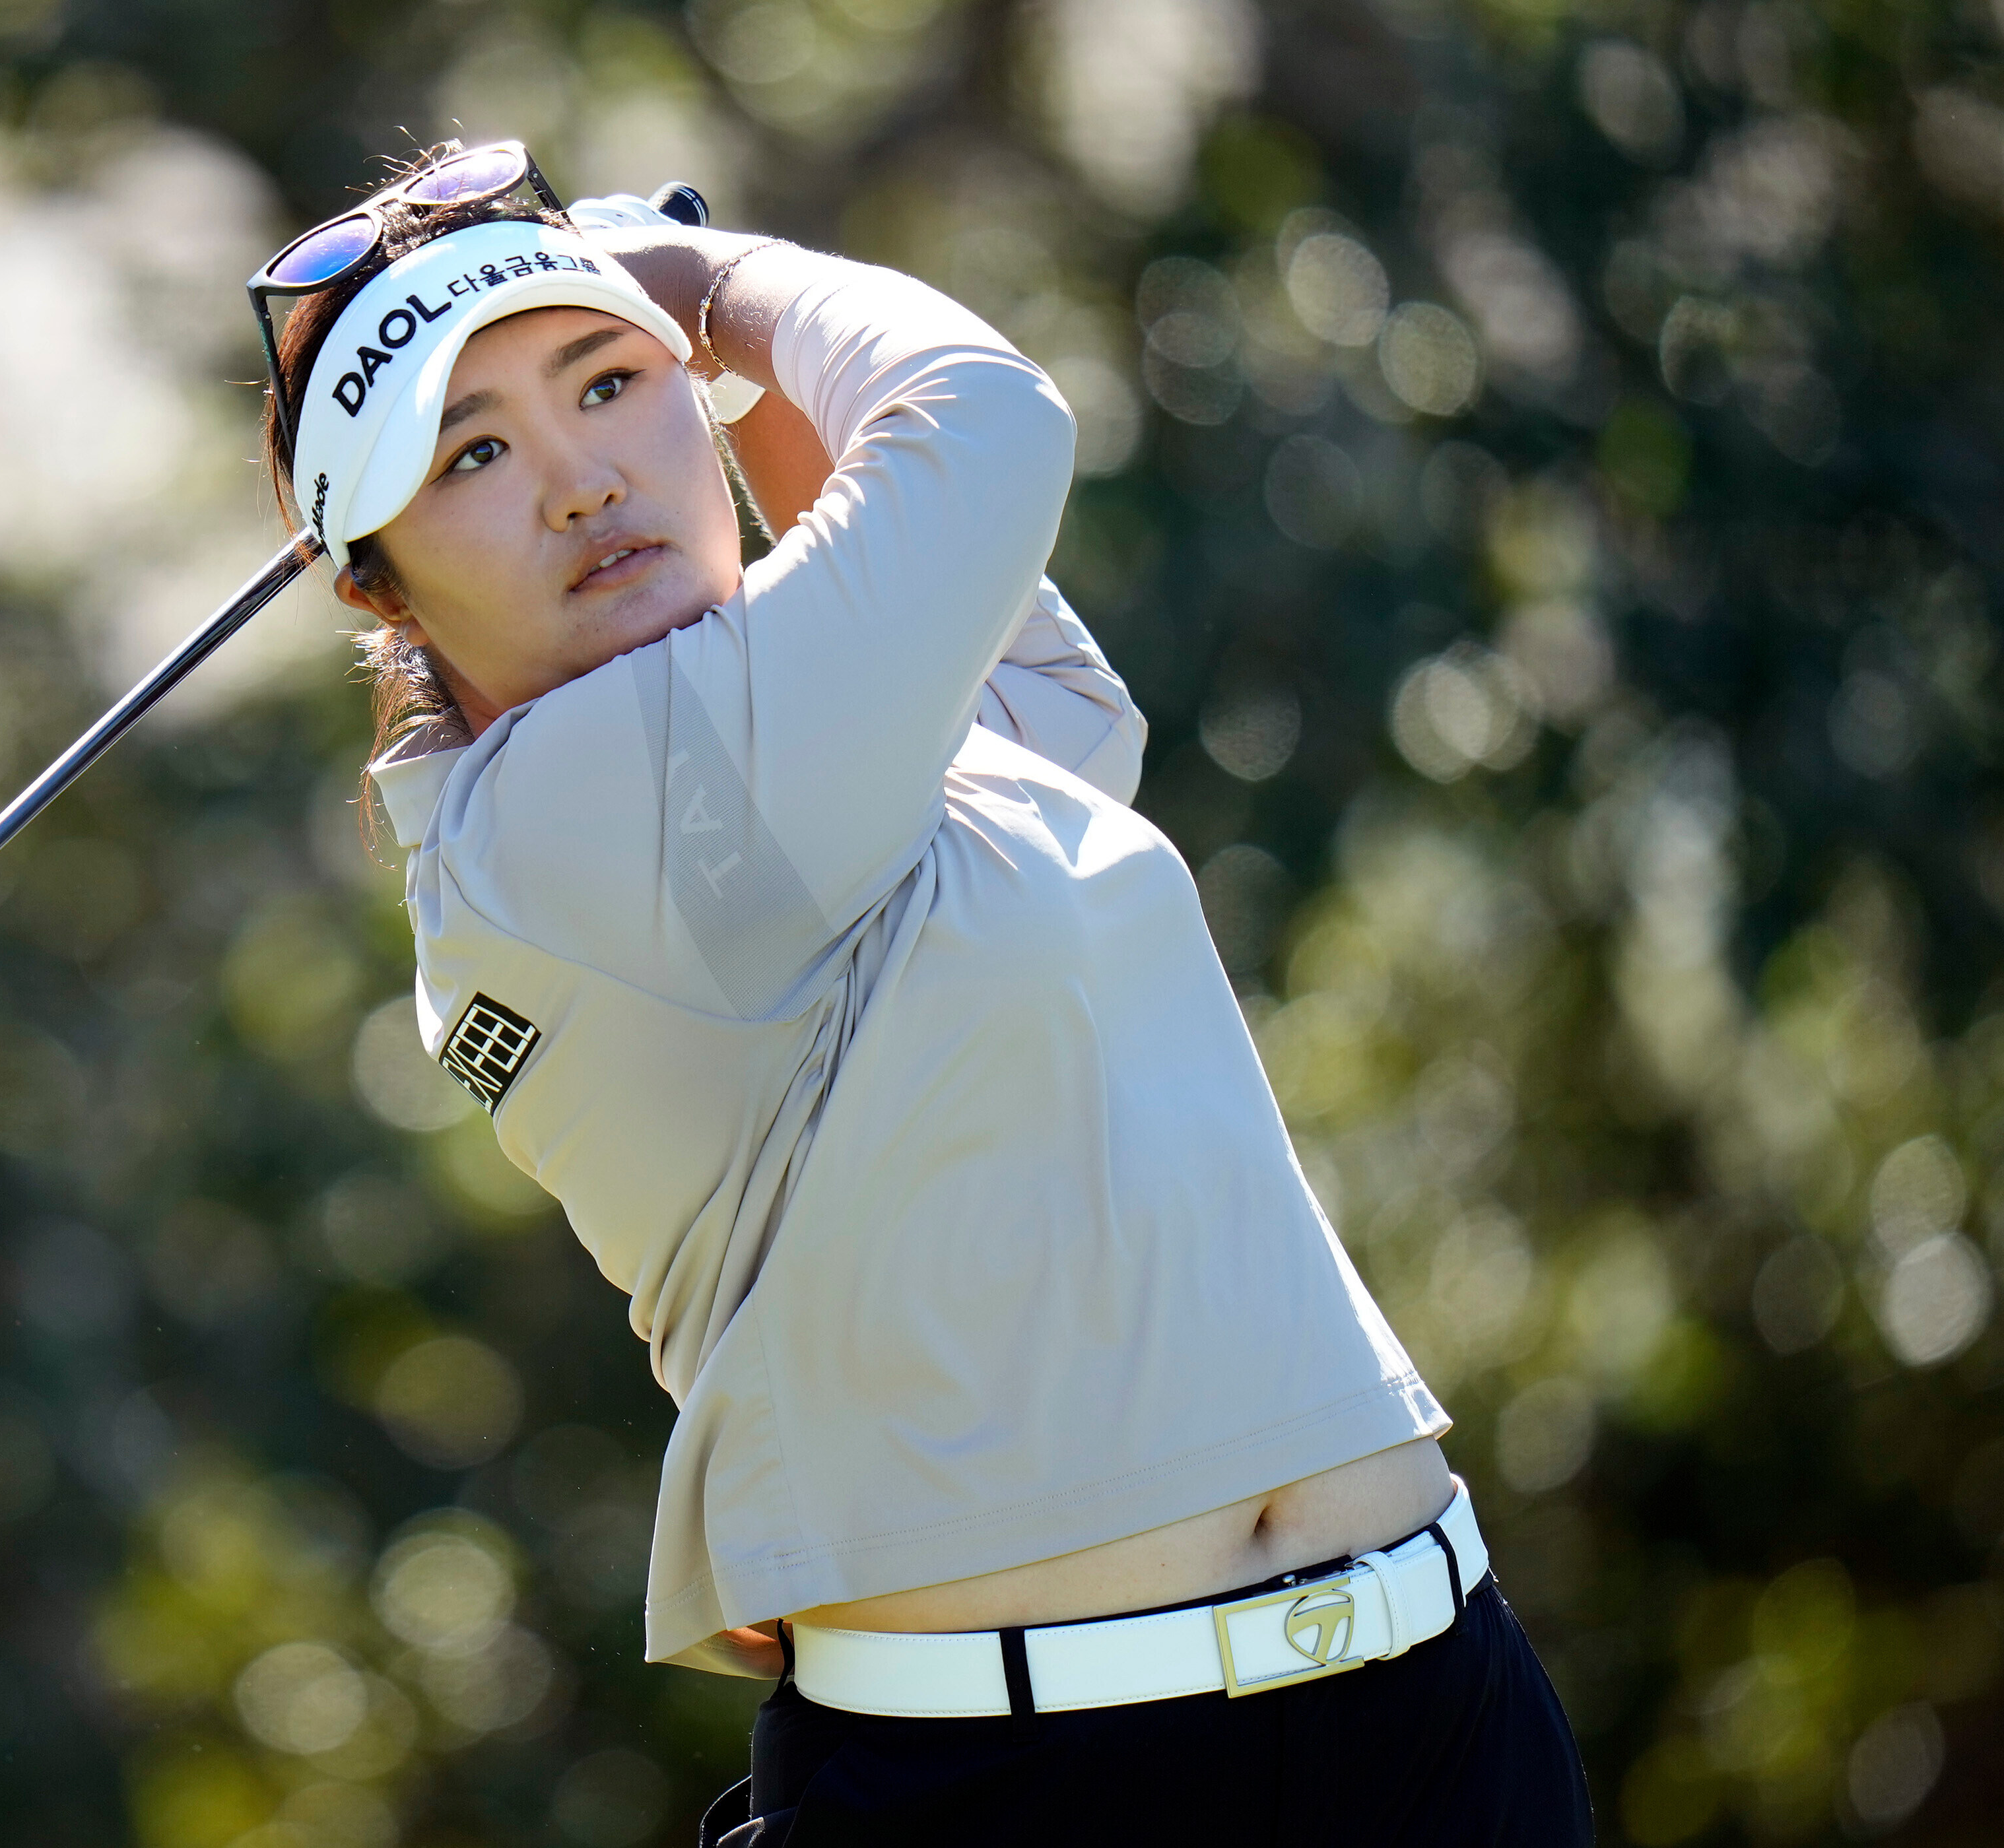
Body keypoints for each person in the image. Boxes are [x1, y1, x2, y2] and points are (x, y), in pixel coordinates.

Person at [246, 142, 1592, 1845]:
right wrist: (710, 290)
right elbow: (982, 428)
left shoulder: (806, 763)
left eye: (609, 387)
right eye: (476, 453)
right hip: (1042, 1788)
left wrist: (697, 361)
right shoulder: (561, 831)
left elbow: (1036, 692)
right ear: (373, 579)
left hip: (1428, 1717)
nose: (582, 481)